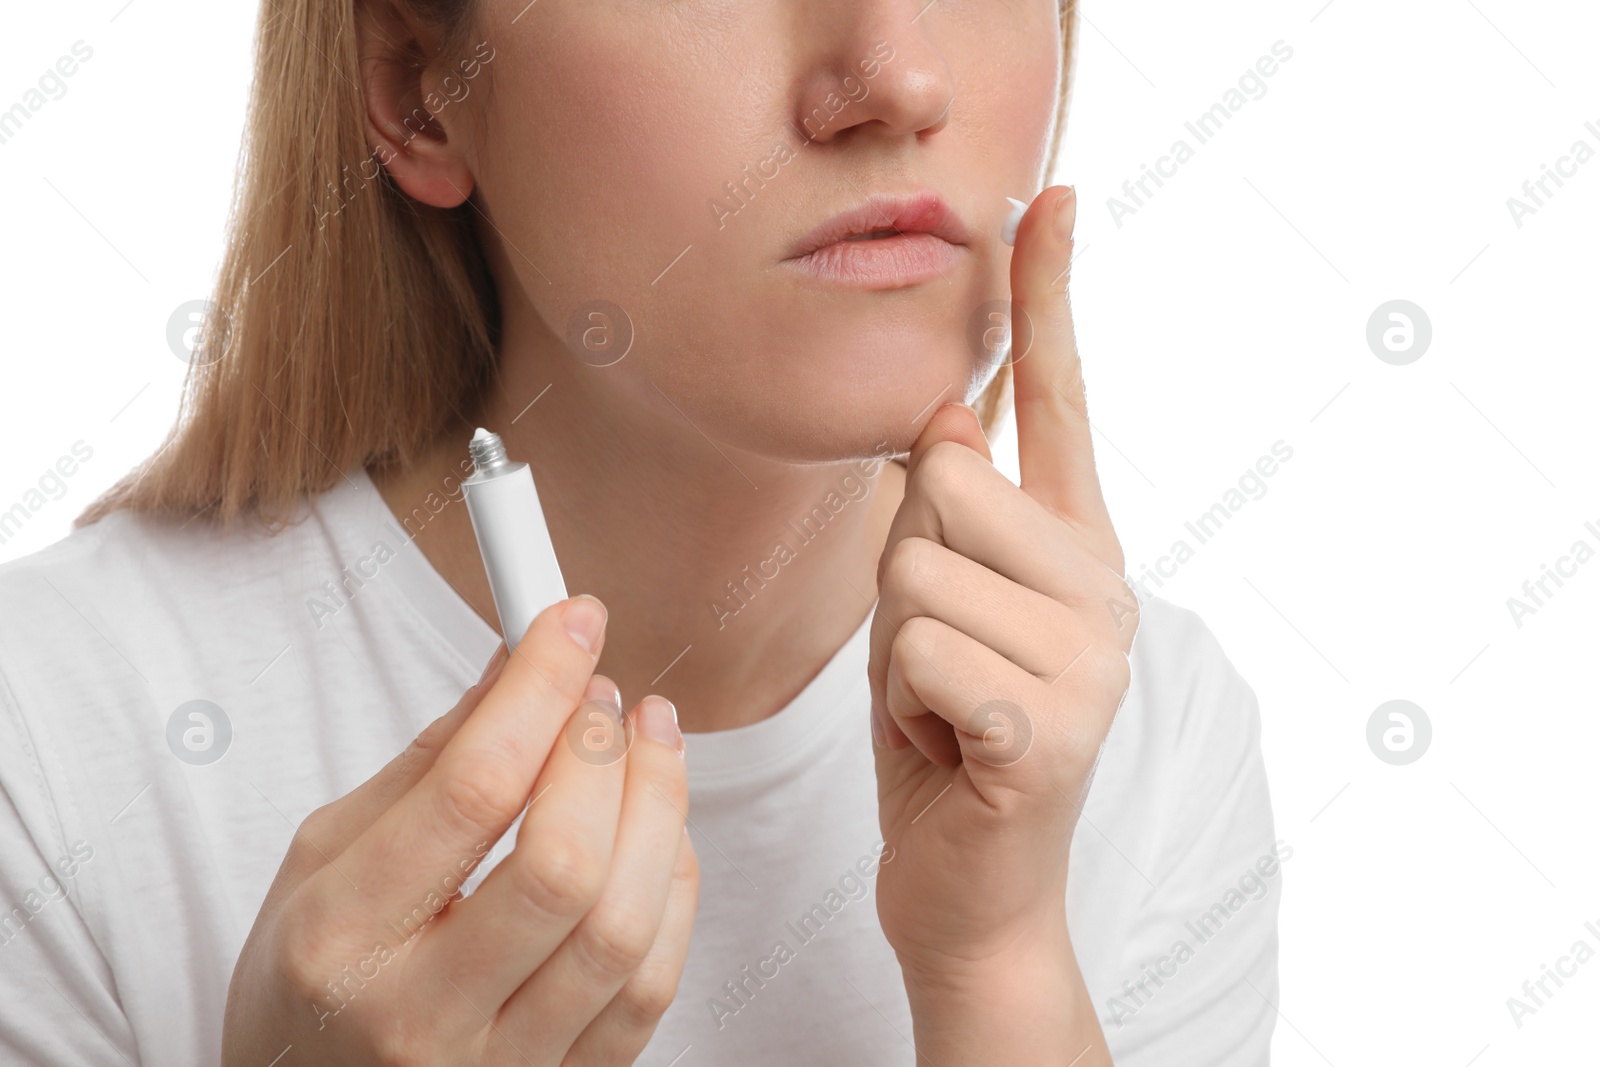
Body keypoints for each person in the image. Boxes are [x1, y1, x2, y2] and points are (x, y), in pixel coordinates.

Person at [0, 1, 1281, 1063]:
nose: (896, 77)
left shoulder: (1149, 731)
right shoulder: (50, 745)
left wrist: (1000, 969)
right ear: (420, 91)